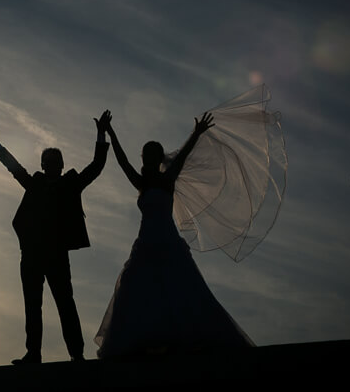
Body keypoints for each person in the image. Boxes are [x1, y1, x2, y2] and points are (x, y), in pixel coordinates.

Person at [94, 111, 254, 359]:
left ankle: (184, 339)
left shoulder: (168, 179)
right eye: (144, 156)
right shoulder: (141, 183)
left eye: (150, 156)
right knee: (137, 291)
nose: (145, 159)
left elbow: (183, 156)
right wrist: (109, 132)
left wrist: (197, 133)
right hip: (145, 243)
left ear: (157, 158)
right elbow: (122, 160)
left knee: (181, 291)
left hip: (168, 242)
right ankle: (146, 341)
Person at [0, 111, 110, 364]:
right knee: (32, 305)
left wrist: (101, 133)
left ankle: (76, 353)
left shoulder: (70, 183)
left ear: (61, 165)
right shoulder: (35, 183)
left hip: (56, 254)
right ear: (42, 165)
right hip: (31, 254)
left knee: (65, 304)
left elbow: (96, 166)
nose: (50, 164)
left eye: (54, 160)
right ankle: (34, 353)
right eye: (46, 160)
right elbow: (14, 167)